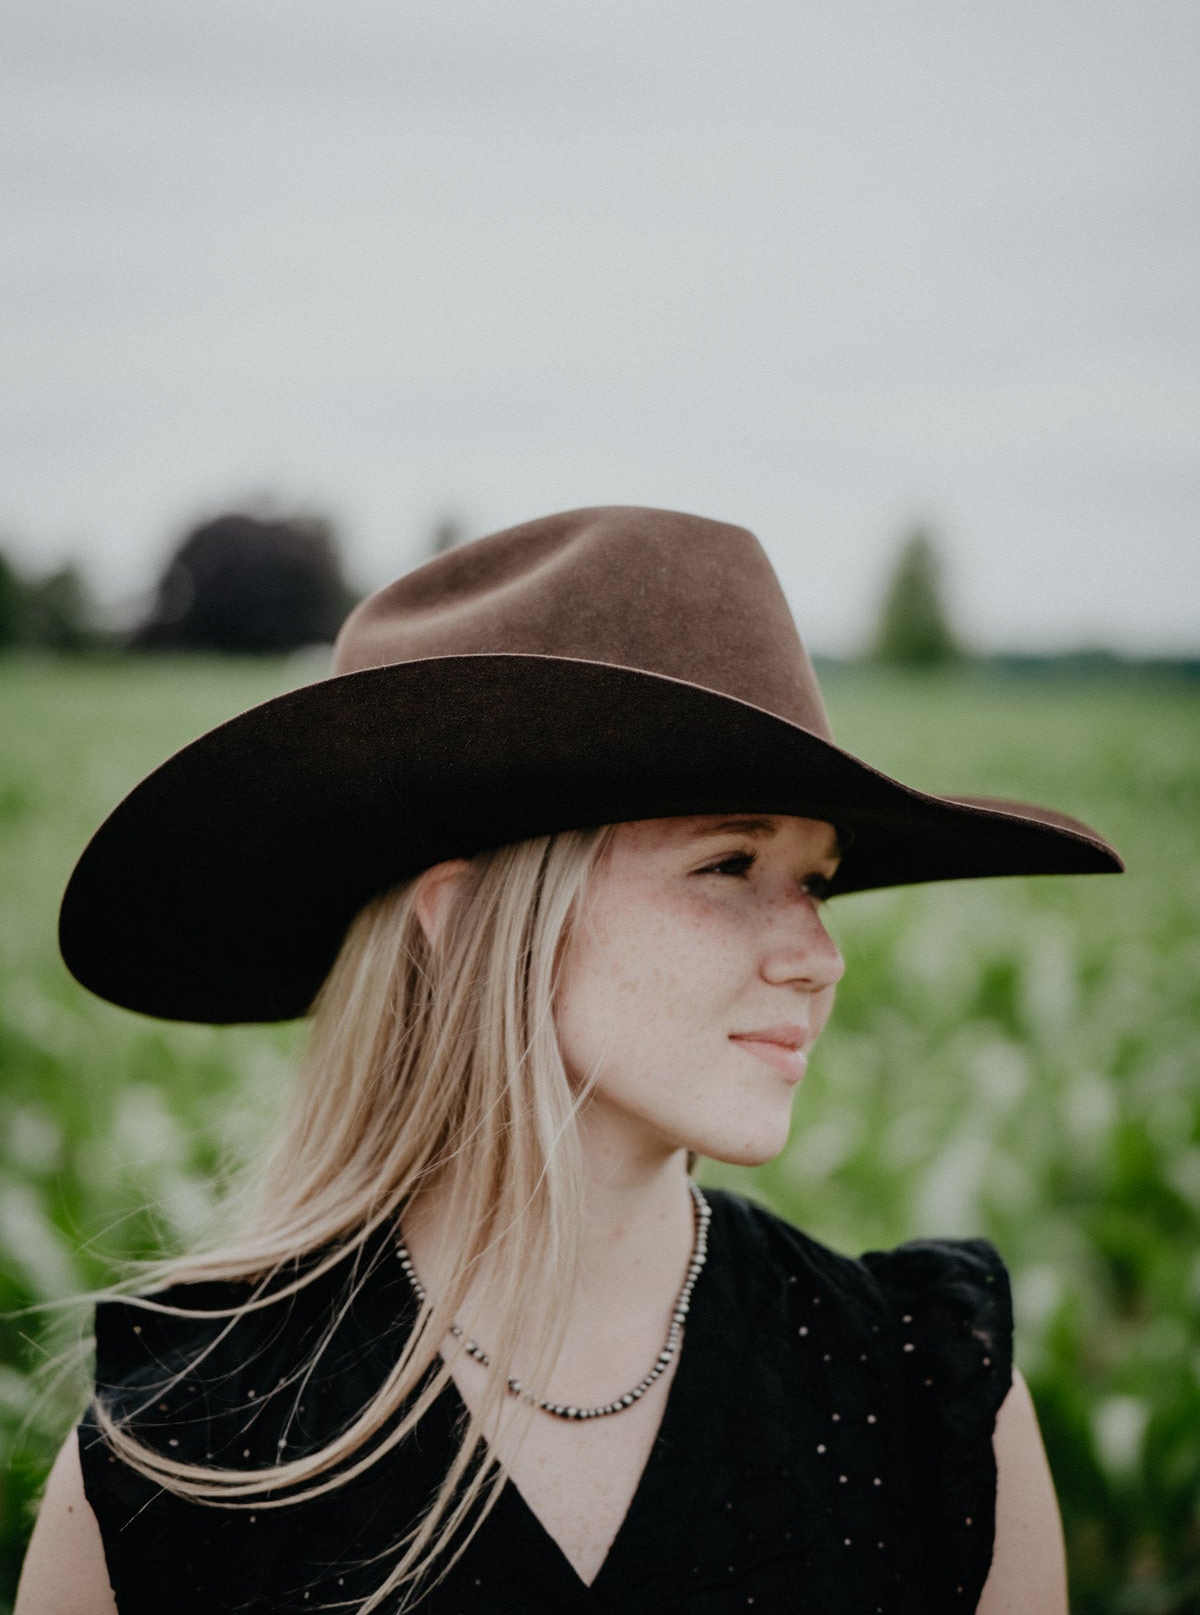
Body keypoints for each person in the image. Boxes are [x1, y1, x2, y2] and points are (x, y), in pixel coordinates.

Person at [17, 505, 1121, 1615]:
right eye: (729, 863)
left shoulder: (929, 1397)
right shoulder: (185, 1450)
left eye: (817, 883)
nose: (818, 958)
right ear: (463, 921)